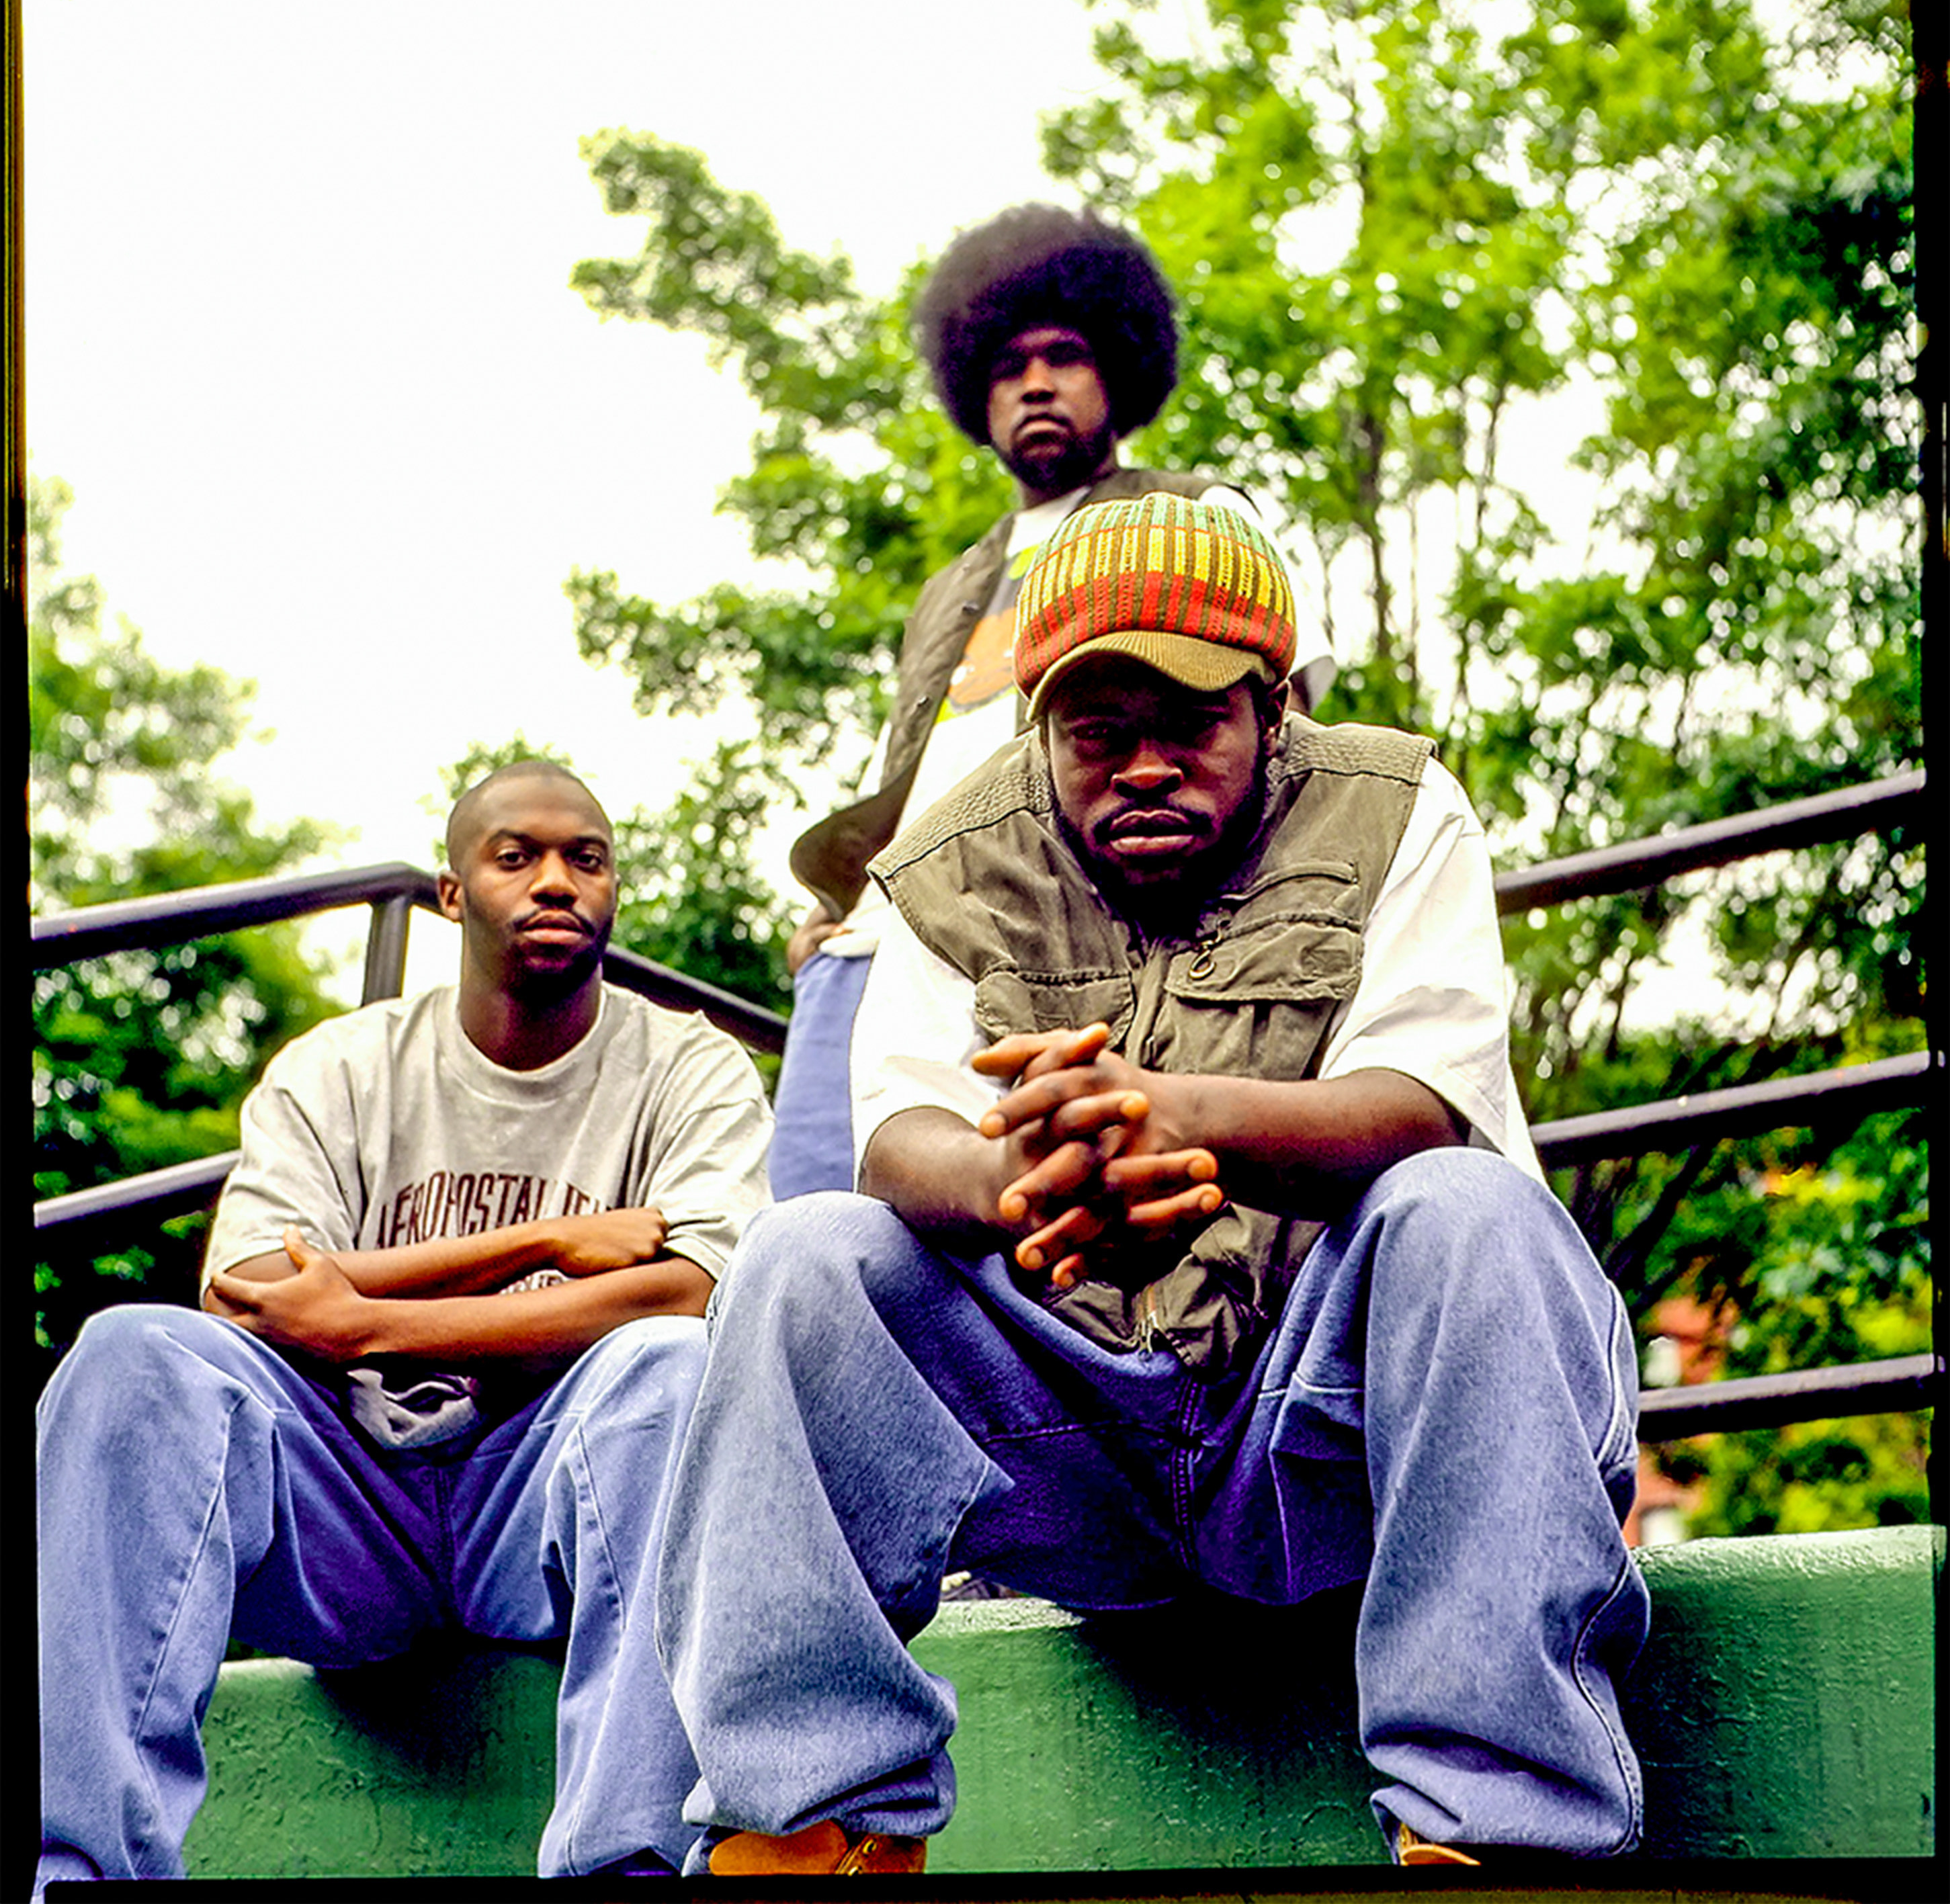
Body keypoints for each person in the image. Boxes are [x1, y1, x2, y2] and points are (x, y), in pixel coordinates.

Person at [656, 494, 1648, 1876]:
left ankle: (1491, 1840)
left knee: (1466, 1208)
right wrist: (1028, 1182)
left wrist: (1168, 1115)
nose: (1140, 768)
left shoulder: (1392, 806)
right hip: (1082, 1460)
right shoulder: (949, 861)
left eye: (1189, 726)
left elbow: (1424, 1106)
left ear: (1276, 706)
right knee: (804, 1255)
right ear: (1038, 733)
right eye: (1095, 734)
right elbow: (898, 1140)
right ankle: (809, 1830)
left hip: (1319, 1437)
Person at [36, 761, 773, 1891]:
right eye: (514, 856)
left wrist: (357, 1313)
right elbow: (240, 1294)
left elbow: (687, 1289)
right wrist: (536, 1248)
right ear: (448, 894)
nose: (557, 882)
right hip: (348, 1516)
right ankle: (79, 1878)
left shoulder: (688, 1064)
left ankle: (629, 1871)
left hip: (535, 1503)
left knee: (668, 1368)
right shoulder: (341, 1067)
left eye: (587, 857)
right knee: (133, 1353)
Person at [769, 202, 1335, 1197]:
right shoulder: (952, 587)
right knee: (817, 1231)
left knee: (1055, 1223)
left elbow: (1290, 730)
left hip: (1081, 931)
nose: (1033, 383)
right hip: (884, 948)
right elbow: (901, 783)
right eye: (1004, 366)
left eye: (1063, 355)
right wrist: (840, 906)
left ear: (1116, 370)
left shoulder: (1198, 513)